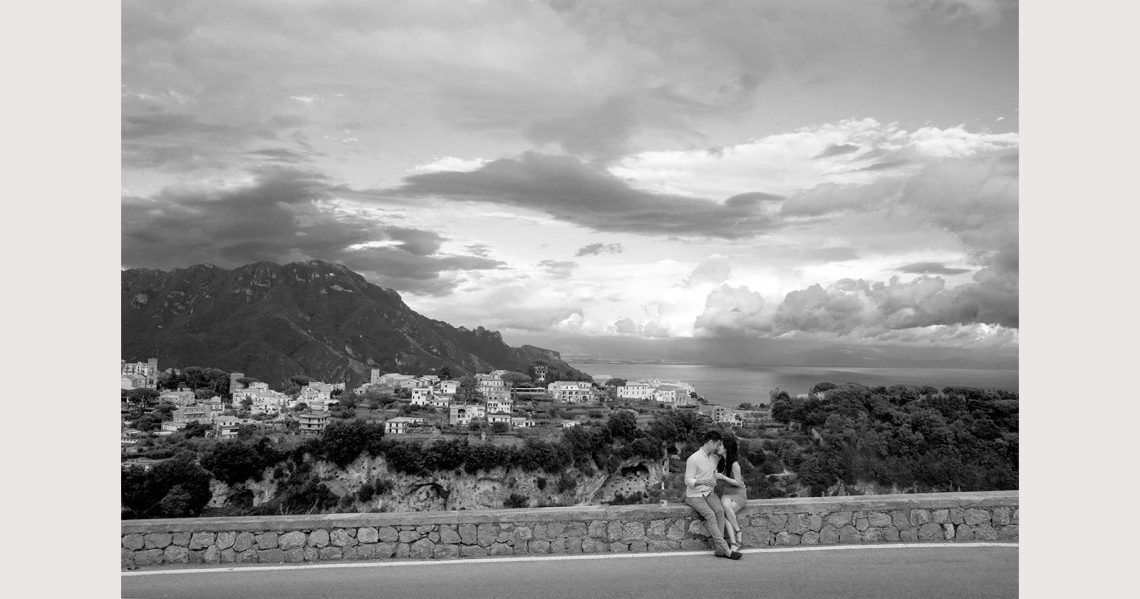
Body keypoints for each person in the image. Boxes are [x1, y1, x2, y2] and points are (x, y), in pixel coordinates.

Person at [684, 430, 742, 560]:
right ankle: (725, 549)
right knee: (710, 515)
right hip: (694, 495)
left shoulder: (715, 458)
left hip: (709, 493)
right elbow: (687, 480)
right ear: (710, 442)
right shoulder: (693, 459)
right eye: (717, 444)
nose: (718, 447)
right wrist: (702, 481)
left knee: (720, 511)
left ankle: (719, 549)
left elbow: (728, 461)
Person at [714, 436, 747, 552]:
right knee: (725, 510)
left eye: (721, 445)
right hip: (727, 492)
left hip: (738, 493)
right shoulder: (721, 462)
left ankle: (735, 540)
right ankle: (737, 536)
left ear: (727, 448)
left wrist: (723, 477)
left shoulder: (734, 464)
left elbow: (738, 482)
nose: (719, 446)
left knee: (725, 512)